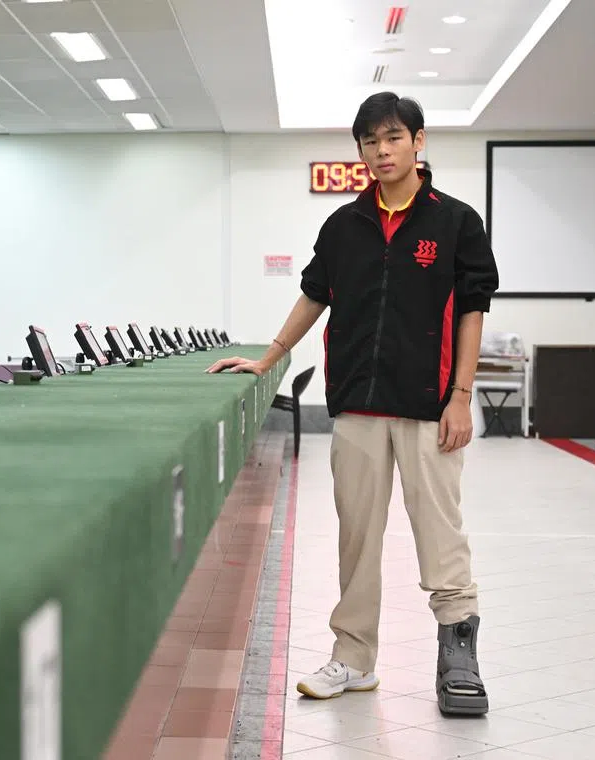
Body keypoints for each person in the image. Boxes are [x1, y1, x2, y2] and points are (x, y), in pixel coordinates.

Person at [207, 92, 499, 716]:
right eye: (369, 142)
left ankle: (458, 655)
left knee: (439, 534)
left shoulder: (456, 222)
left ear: (419, 142)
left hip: (428, 406)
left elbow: (472, 311)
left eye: (393, 138)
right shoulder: (344, 225)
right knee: (356, 537)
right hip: (360, 406)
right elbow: (315, 296)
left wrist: (462, 396)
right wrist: (269, 356)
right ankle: (354, 657)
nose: (381, 151)